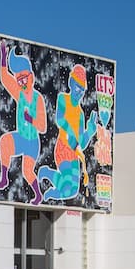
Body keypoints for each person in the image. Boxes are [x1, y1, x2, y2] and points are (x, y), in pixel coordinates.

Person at [0, 43, 47, 204]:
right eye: (19, 80)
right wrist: (3, 57)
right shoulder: (19, 94)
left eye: (24, 78)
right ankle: (4, 177)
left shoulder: (38, 99)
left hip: (32, 142)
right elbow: (5, 78)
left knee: (27, 172)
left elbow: (43, 127)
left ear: (31, 77)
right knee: (4, 142)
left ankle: (38, 194)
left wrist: (31, 119)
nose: (22, 83)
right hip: (21, 137)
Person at [38, 65, 98, 201]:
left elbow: (81, 144)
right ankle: (47, 173)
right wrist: (71, 135)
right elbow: (60, 119)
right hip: (63, 149)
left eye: (82, 89)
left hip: (74, 154)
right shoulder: (63, 98)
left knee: (72, 191)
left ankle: (53, 192)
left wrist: (90, 131)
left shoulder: (81, 114)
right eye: (78, 87)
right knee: (66, 182)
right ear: (71, 83)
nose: (80, 92)